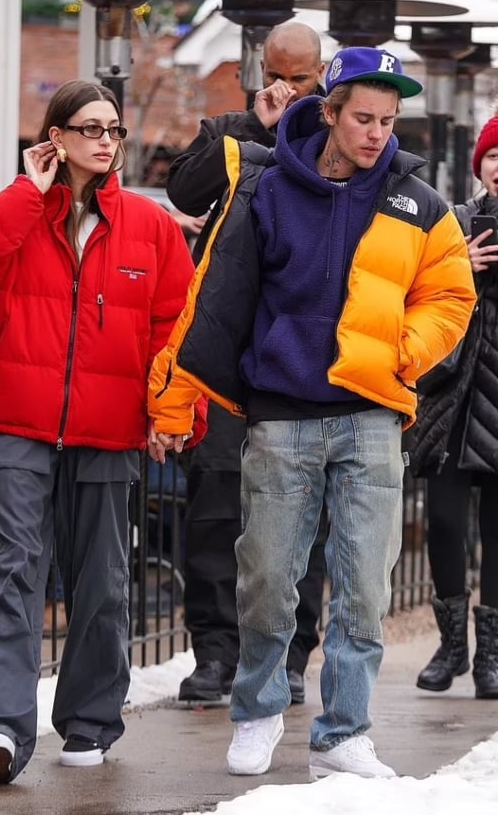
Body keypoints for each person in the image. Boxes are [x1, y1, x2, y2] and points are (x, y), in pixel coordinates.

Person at [148, 46, 476, 780]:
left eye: (388, 121)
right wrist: (171, 400)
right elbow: (216, 297)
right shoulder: (265, 189)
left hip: (372, 414)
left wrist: (403, 349)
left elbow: (452, 296)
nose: (376, 134)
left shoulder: (418, 200)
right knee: (267, 576)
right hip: (281, 413)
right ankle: (260, 709)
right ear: (326, 112)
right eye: (362, 118)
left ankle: (343, 732)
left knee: (365, 584)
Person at [0, 79, 204, 785]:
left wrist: (174, 415)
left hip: (110, 429)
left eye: (114, 128)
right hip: (20, 423)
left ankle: (87, 721)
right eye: (90, 128)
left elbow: (176, 331)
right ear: (55, 138)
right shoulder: (20, 212)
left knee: (104, 584)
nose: (107, 140)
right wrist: (28, 192)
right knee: (11, 573)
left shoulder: (149, 225)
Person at [167, 20, 328, 705]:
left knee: (299, 506)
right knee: (213, 498)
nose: (286, 88)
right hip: (230, 346)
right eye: (276, 74)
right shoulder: (231, 129)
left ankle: (291, 652)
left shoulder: (337, 135)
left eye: (301, 78)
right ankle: (214, 650)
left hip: (300, 347)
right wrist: (255, 132)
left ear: (321, 75)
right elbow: (183, 193)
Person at [411, 108, 498, 699]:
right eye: (494, 156)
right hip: (451, 398)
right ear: (480, 164)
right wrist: (458, 270)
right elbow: (413, 292)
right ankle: (452, 645)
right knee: (442, 522)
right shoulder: (453, 222)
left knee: (497, 531)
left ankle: (491, 656)